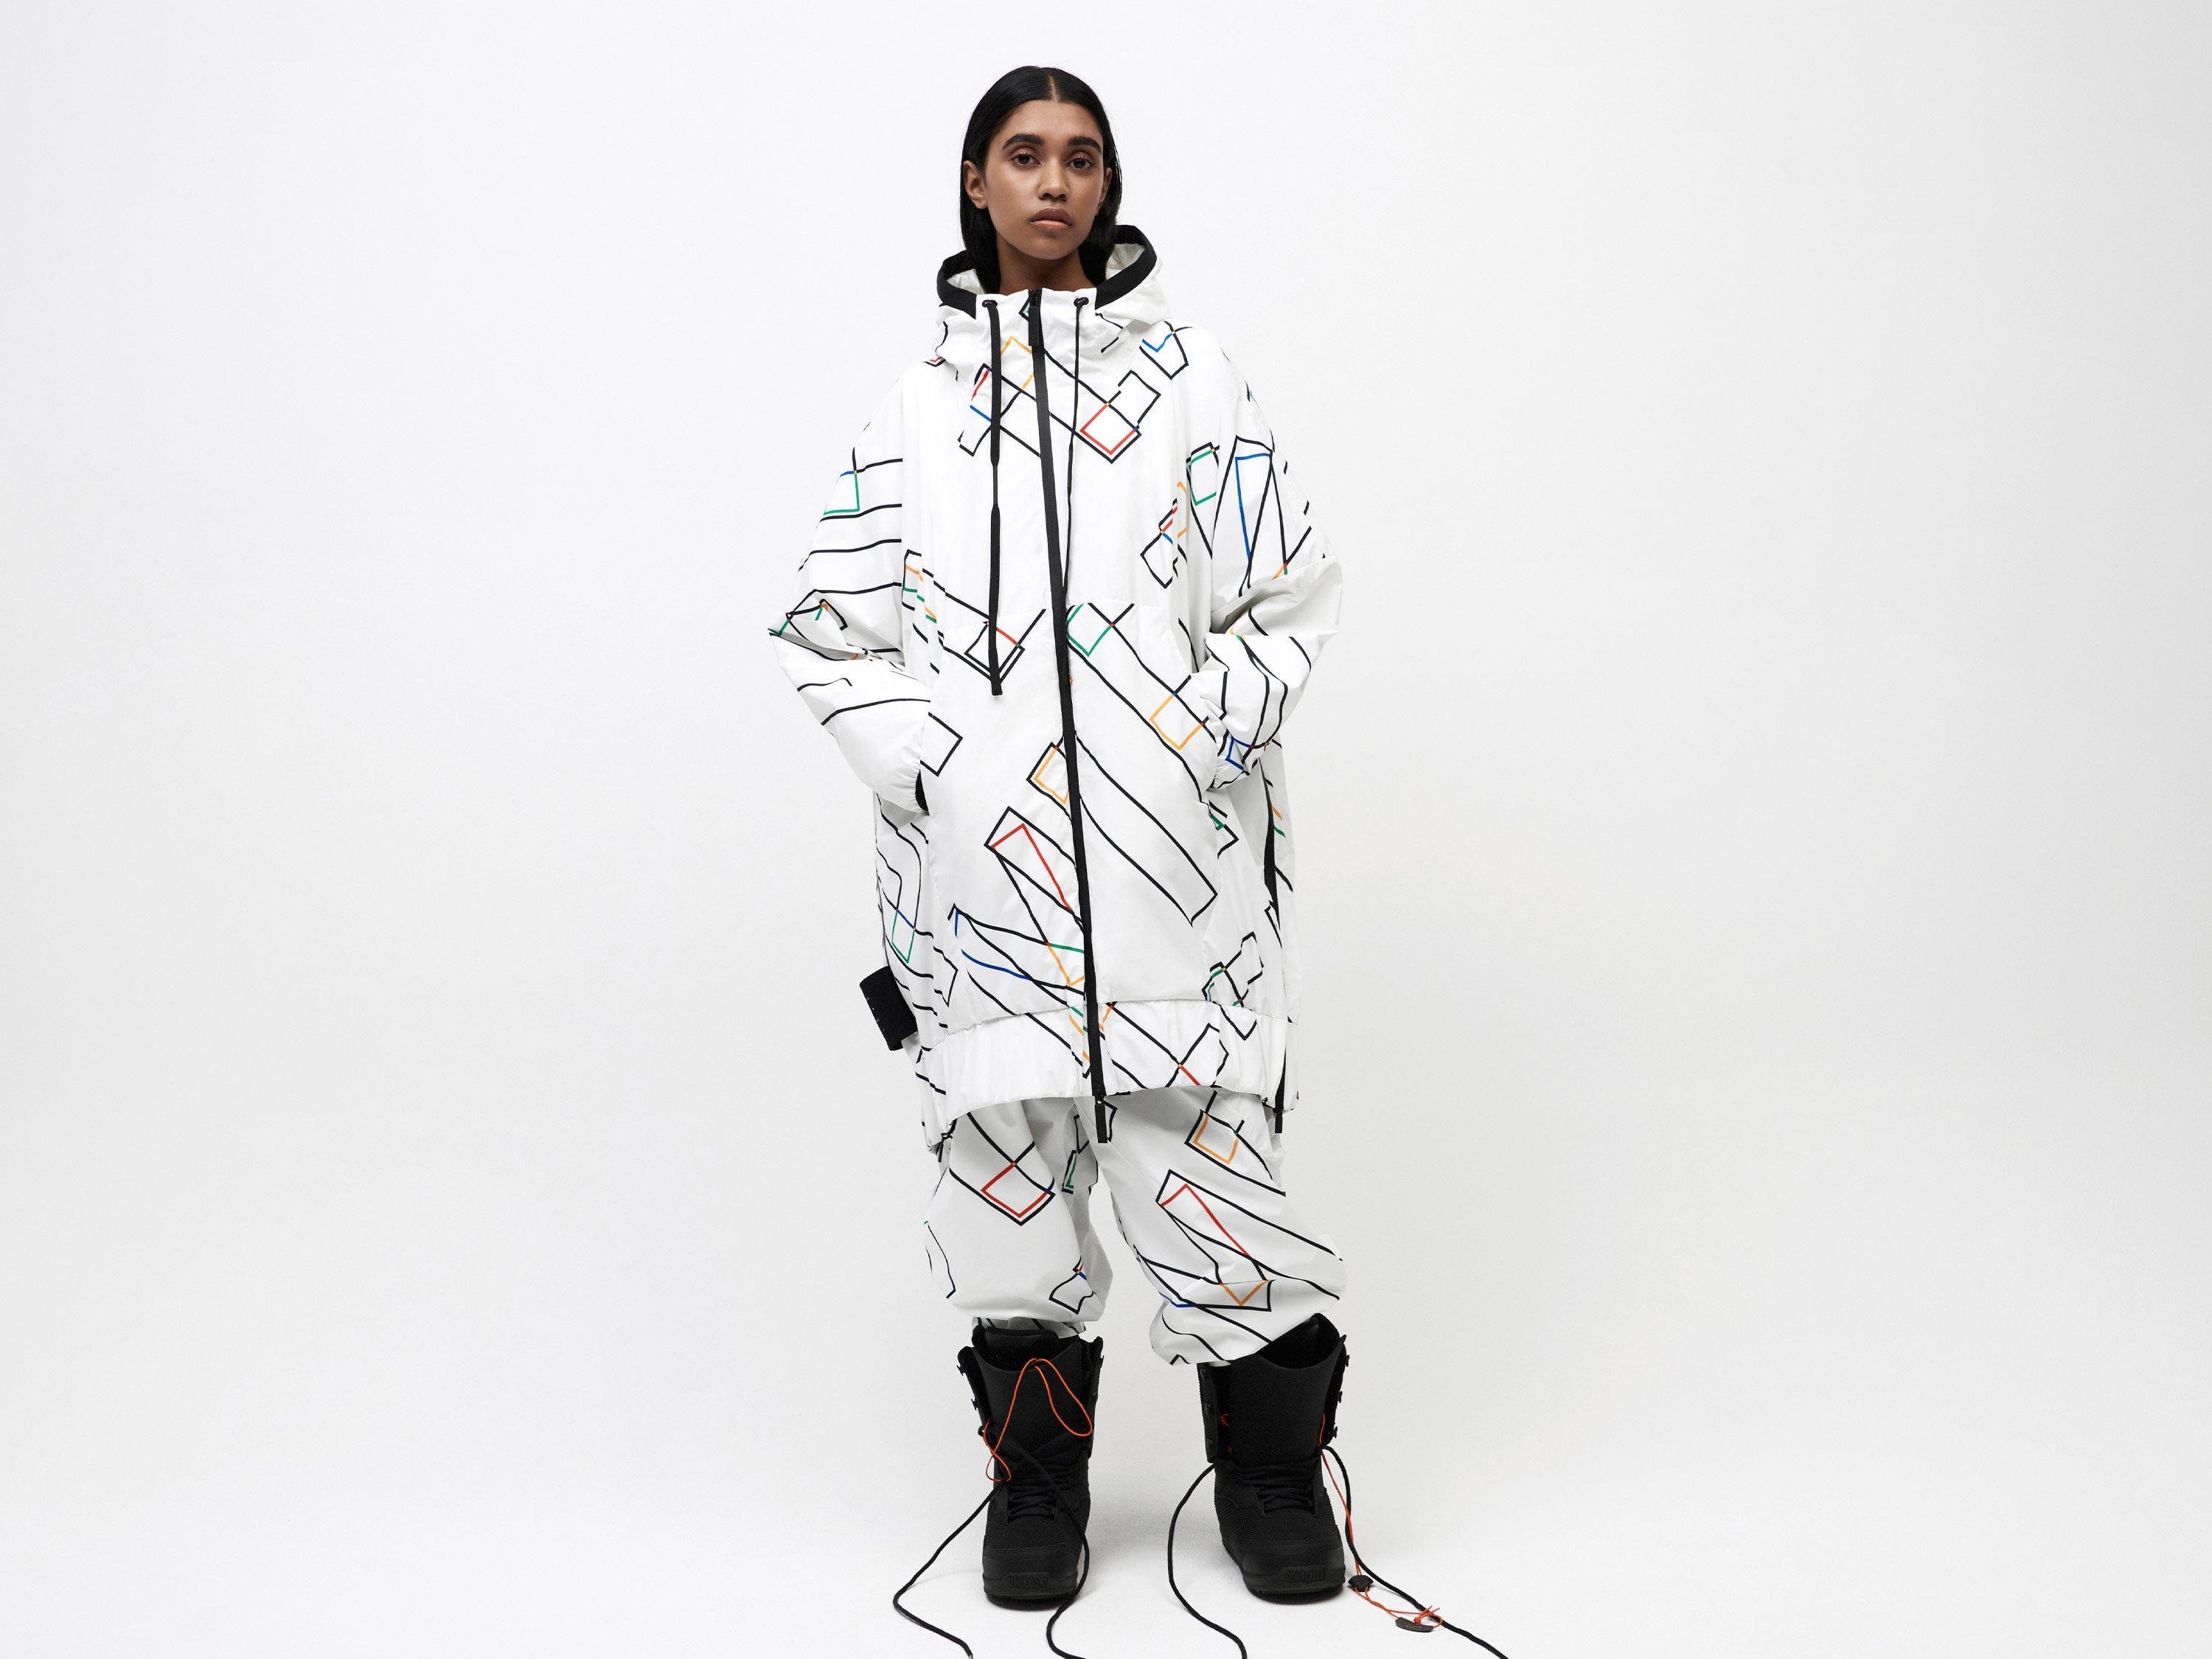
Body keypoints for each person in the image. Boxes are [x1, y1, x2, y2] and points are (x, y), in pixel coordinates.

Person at [770, 64, 1353, 1613]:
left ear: (1109, 185)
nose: (1053, 182)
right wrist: (943, 773)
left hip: (1178, 889)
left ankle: (1274, 1473)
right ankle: (1038, 1480)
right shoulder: (918, 409)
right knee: (1002, 1196)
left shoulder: (1193, 380)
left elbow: (1288, 599)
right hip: (986, 900)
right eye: (1023, 155)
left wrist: (1196, 740)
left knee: (1215, 1185)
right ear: (976, 181)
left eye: (1081, 157)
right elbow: (828, 630)